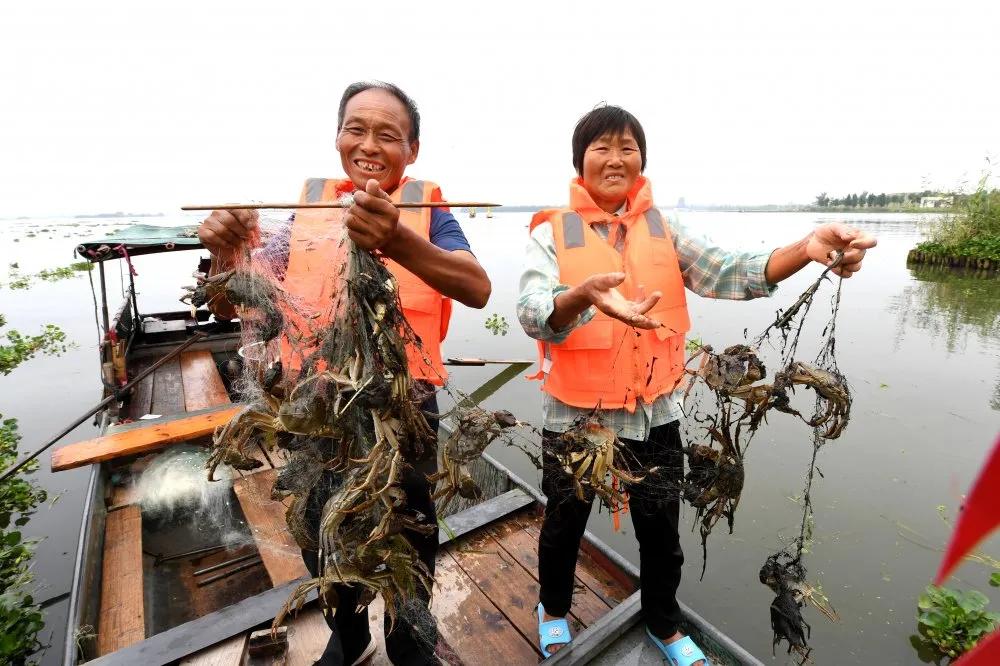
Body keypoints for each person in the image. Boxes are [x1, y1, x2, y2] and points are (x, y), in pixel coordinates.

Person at [516, 105, 876, 664]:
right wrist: (582, 296)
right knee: (563, 526)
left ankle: (664, 621)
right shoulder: (552, 234)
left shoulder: (666, 228)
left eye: (627, 147)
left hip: (657, 414)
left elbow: (732, 271)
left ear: (642, 159)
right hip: (577, 418)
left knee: (661, 535)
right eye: (601, 148)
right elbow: (534, 313)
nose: (616, 158)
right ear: (579, 161)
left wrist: (805, 250)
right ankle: (554, 611)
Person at [197, 81, 491, 666]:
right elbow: (233, 303)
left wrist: (400, 239)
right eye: (356, 128)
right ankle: (349, 632)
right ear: (337, 137)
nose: (369, 144)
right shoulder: (304, 214)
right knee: (319, 526)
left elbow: (476, 286)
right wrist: (228, 253)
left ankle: (410, 637)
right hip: (319, 407)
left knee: (412, 525)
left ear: (412, 149)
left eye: (389, 134)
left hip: (402, 406)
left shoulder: (428, 208)